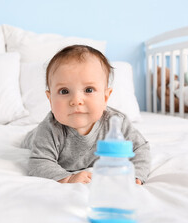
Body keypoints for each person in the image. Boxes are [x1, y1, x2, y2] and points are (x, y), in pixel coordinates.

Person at [21, 45, 150, 185]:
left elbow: (140, 148)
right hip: (35, 137)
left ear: (106, 97)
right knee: (31, 139)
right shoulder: (49, 129)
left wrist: (136, 174)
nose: (76, 100)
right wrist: (68, 178)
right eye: (64, 91)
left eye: (89, 89)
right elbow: (39, 161)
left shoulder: (116, 123)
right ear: (50, 98)